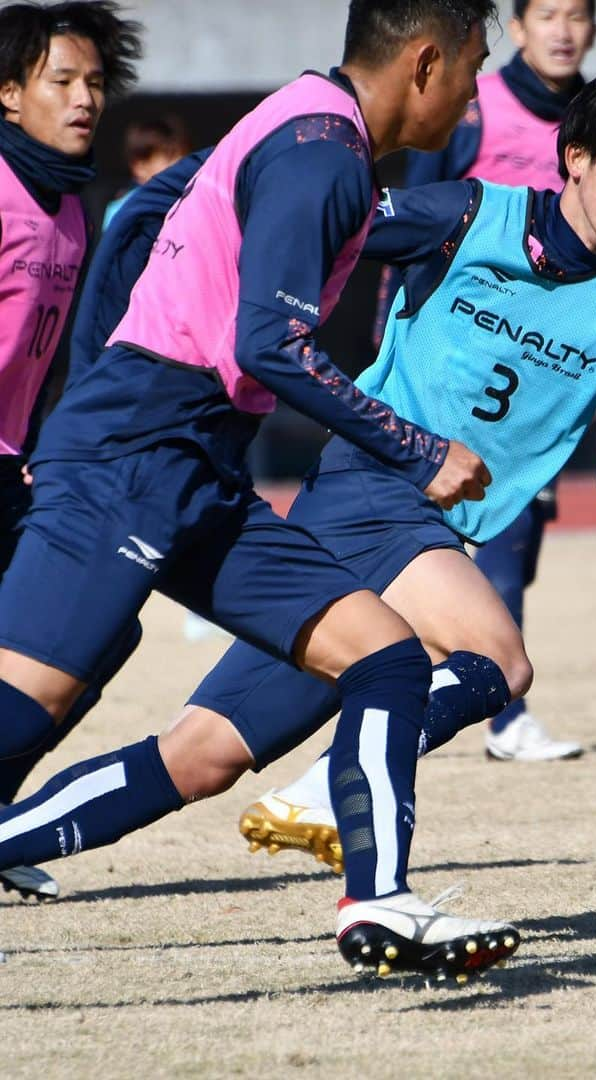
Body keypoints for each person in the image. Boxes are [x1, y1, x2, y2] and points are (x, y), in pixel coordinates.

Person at [0, 71, 596, 983]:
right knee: (500, 659)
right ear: (575, 158)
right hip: (372, 486)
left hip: (420, 529)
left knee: (200, 758)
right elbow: (327, 226)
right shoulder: (467, 216)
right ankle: (338, 811)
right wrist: (185, 211)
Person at [0, 0, 523, 985]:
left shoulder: (312, 125)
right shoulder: (323, 154)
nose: (474, 94)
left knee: (384, 656)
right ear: (425, 63)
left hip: (196, 463)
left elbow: (151, 214)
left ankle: (380, 904)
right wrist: (417, 449)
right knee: (29, 709)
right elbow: (268, 346)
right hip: (133, 455)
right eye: (473, 67)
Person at [370, 0, 596, 763]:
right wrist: (391, 332)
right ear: (522, 29)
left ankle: (466, 683)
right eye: (548, 14)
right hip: (456, 358)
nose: (564, 30)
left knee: (516, 538)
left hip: (538, 370)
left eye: (578, 15)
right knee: (473, 533)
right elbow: (409, 225)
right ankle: (501, 710)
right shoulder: (475, 110)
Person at [0, 0, 143, 900]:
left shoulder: (72, 206)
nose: (85, 98)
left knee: (100, 630)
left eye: (96, 82)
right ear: (8, 93)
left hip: (15, 467)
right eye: (63, 81)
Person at [101, 112, 191, 229]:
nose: (181, 166)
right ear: (139, 167)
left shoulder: (193, 202)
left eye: (185, 158)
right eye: (170, 157)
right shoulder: (123, 210)